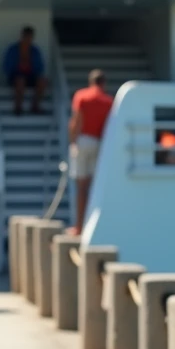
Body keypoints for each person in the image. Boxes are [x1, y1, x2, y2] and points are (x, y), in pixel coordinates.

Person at [68, 69, 114, 236]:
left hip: (83, 141)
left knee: (81, 187)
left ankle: (79, 227)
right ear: (103, 83)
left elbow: (76, 121)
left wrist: (73, 141)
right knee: (96, 187)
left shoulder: (82, 96)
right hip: (98, 143)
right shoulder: (108, 101)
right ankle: (94, 227)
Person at [2, 26, 47, 115]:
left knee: (43, 81)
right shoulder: (13, 50)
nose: (28, 39)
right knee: (20, 81)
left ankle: (35, 106)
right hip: (16, 76)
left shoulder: (34, 51)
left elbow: (40, 67)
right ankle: (18, 107)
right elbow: (6, 66)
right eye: (26, 36)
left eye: (30, 37)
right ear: (22, 36)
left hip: (31, 75)